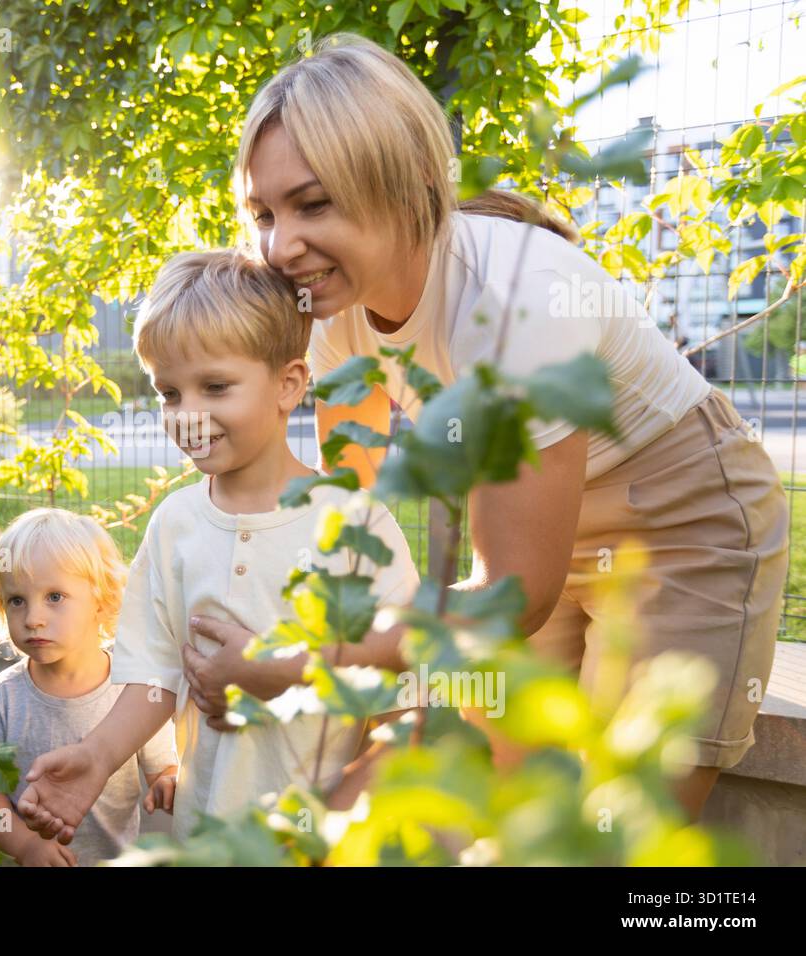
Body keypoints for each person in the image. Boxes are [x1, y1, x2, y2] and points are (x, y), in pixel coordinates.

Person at [182, 32, 790, 821]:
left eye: (313, 203)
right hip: (538, 530)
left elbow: (509, 599)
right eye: (264, 212)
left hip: (684, 522)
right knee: (507, 800)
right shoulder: (329, 312)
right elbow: (346, 521)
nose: (279, 246)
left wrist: (293, 668)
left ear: (398, 187)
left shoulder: (513, 302)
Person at [14, 249, 420, 845]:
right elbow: (154, 676)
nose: (188, 417)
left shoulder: (357, 525)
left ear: (288, 384)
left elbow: (407, 697)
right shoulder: (175, 523)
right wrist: (97, 758)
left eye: (215, 387)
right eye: (169, 394)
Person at [0, 507, 178, 866]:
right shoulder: (5, 697)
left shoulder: (131, 695)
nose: (33, 619)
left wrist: (167, 782)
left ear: (102, 600)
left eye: (54, 597)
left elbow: (162, 766)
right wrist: (26, 845)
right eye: (17, 601)